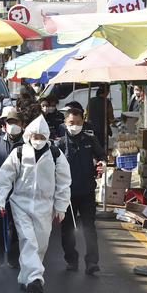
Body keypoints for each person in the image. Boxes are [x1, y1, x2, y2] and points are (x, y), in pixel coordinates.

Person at [0, 115, 71, 293]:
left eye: (42, 137)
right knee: (28, 240)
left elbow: (64, 182)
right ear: (28, 135)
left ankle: (26, 277)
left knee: (41, 244)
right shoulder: (19, 153)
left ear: (47, 137)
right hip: (21, 203)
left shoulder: (55, 154)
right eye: (35, 136)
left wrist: (61, 206)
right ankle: (36, 278)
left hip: (46, 206)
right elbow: (5, 177)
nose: (38, 140)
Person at [56, 108, 106, 275]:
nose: (75, 126)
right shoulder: (59, 144)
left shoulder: (90, 140)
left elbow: (102, 156)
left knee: (89, 228)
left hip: (87, 191)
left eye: (78, 123)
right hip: (66, 194)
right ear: (65, 123)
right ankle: (71, 259)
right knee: (67, 229)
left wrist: (102, 164)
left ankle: (92, 262)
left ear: (83, 123)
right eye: (71, 123)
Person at [0, 108, 25, 268]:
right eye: (10, 122)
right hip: (0, 191)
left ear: (22, 124)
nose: (13, 125)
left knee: (17, 227)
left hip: (19, 192)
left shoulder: (27, 144)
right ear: (5, 125)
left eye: (16, 122)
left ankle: (14, 258)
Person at [87, 84, 115, 149]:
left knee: (93, 150)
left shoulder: (90, 100)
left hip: (91, 130)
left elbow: (86, 114)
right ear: (107, 92)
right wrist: (112, 121)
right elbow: (111, 117)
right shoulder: (107, 102)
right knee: (102, 151)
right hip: (103, 131)